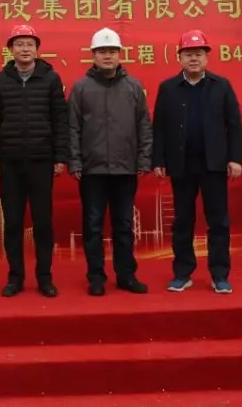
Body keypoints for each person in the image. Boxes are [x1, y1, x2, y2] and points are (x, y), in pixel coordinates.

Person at [152, 29, 242, 295]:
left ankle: (219, 275)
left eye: (198, 54)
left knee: (218, 221)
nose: (193, 59)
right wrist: (158, 160)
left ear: (207, 57)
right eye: (188, 54)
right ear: (179, 57)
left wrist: (235, 159)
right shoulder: (168, 88)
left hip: (213, 164)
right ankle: (182, 273)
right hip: (181, 165)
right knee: (182, 220)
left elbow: (234, 125)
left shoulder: (221, 85)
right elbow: (159, 127)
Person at [0, 24, 69, 298]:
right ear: (10, 49)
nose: (25, 49)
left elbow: (60, 120)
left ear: (37, 49)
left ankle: (44, 277)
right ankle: (15, 277)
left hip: (42, 160)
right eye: (19, 44)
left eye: (30, 44)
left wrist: (60, 156)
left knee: (43, 222)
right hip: (10, 162)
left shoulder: (51, 79)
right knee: (12, 223)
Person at [68, 27, 152, 297]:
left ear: (119, 55)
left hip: (125, 167)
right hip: (91, 170)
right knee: (92, 226)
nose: (107, 56)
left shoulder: (133, 87)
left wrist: (144, 159)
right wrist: (75, 162)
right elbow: (72, 128)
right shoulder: (81, 88)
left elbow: (144, 126)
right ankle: (96, 278)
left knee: (124, 225)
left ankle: (126, 276)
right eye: (102, 51)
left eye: (112, 51)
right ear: (93, 55)